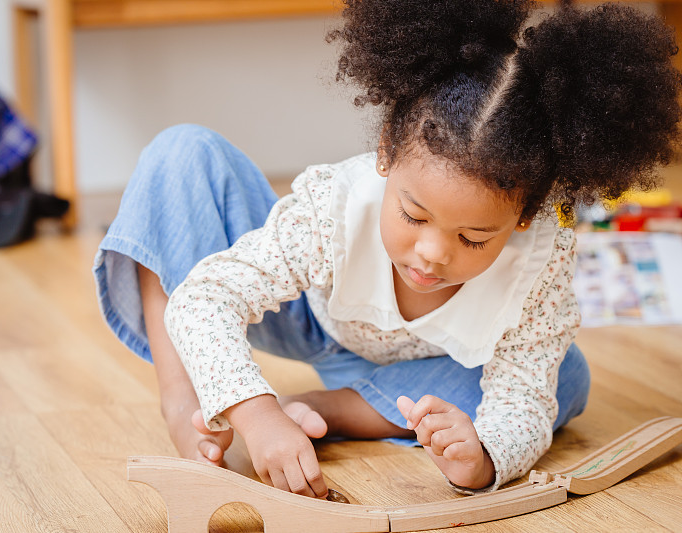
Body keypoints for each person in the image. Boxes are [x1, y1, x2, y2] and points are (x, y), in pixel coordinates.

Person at [94, 0, 681, 498]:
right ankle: (186, 398)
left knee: (565, 377)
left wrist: (479, 461)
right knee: (181, 152)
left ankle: (325, 409)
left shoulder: (542, 259)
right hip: (307, 316)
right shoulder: (336, 205)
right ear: (385, 154)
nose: (429, 253)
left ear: (524, 217)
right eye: (412, 214)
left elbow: (523, 400)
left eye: (473, 237)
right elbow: (204, 299)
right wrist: (255, 412)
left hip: (427, 370)